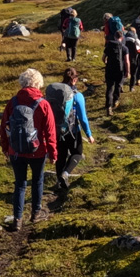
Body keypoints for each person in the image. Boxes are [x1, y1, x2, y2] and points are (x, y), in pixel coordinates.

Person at [0, 68, 57, 231]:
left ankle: (17, 219)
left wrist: (6, 146)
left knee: (20, 184)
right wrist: (53, 153)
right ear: (38, 83)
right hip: (38, 151)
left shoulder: (13, 102)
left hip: (16, 150)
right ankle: (35, 214)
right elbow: (50, 131)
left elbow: (4, 126)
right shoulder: (43, 103)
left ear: (22, 82)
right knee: (38, 181)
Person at [44, 67, 94, 199]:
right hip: (72, 131)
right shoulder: (77, 95)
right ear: (75, 79)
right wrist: (88, 134)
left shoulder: (55, 93)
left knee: (60, 156)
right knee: (77, 153)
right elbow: (82, 118)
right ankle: (65, 174)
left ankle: (58, 183)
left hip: (56, 130)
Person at [103, 30, 130, 115]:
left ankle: (108, 107)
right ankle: (115, 101)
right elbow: (127, 61)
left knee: (109, 88)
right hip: (120, 70)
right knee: (118, 86)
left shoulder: (109, 46)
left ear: (114, 37)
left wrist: (106, 63)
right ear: (122, 38)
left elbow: (103, 58)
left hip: (109, 69)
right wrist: (128, 72)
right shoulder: (124, 48)